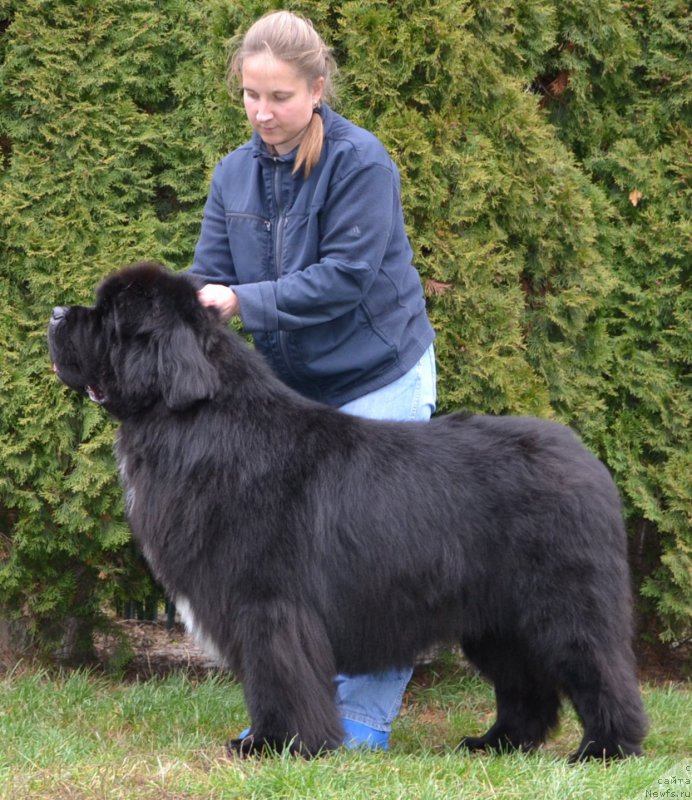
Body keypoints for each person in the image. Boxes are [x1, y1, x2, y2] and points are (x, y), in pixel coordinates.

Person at [189, 10, 436, 751]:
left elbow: (347, 277)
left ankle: (361, 716)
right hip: (292, 397)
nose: (263, 113)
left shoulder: (362, 163)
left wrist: (244, 301)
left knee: (382, 555)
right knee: (290, 566)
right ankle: (296, 712)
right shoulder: (233, 174)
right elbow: (207, 271)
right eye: (250, 96)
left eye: (280, 97)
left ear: (317, 90)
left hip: (376, 375)